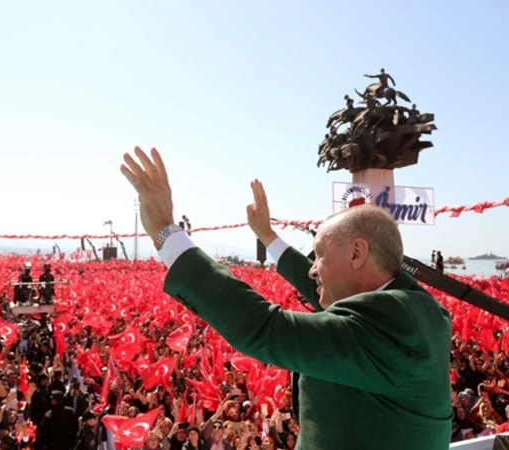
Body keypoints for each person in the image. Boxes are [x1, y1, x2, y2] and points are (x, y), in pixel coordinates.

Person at [120, 147, 453, 450]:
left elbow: (265, 327)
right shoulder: (414, 309)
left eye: (319, 255)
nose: (313, 269)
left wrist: (165, 232)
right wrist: (268, 237)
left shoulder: (391, 325)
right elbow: (326, 290)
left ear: (356, 253)